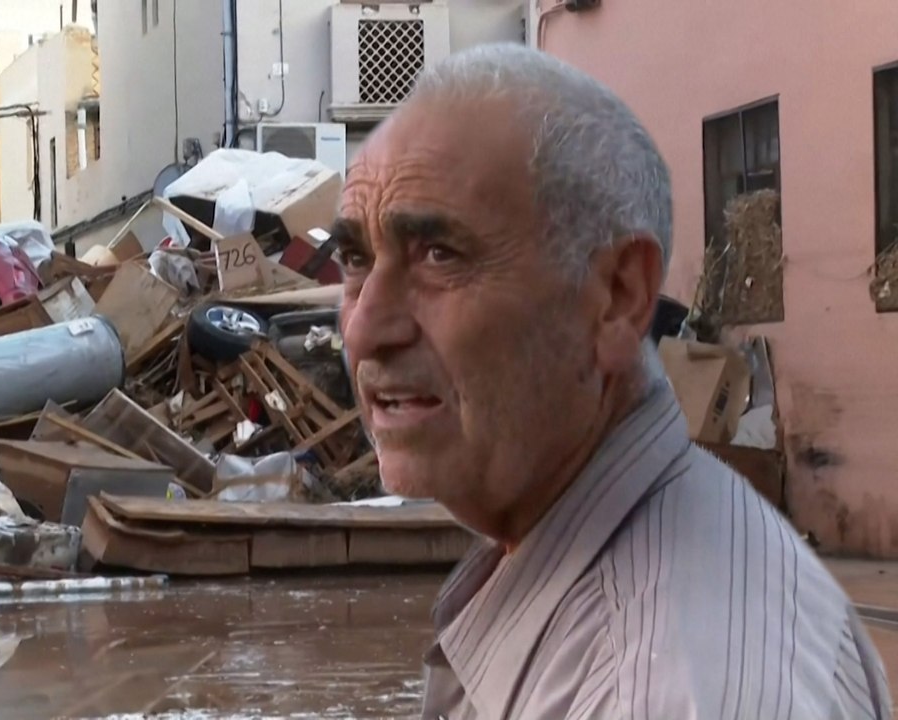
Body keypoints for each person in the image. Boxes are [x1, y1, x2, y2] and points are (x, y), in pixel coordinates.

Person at [334, 44, 892, 719]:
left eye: (439, 255)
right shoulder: (585, 558)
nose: (365, 329)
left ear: (618, 296)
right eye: (355, 259)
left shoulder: (662, 689)